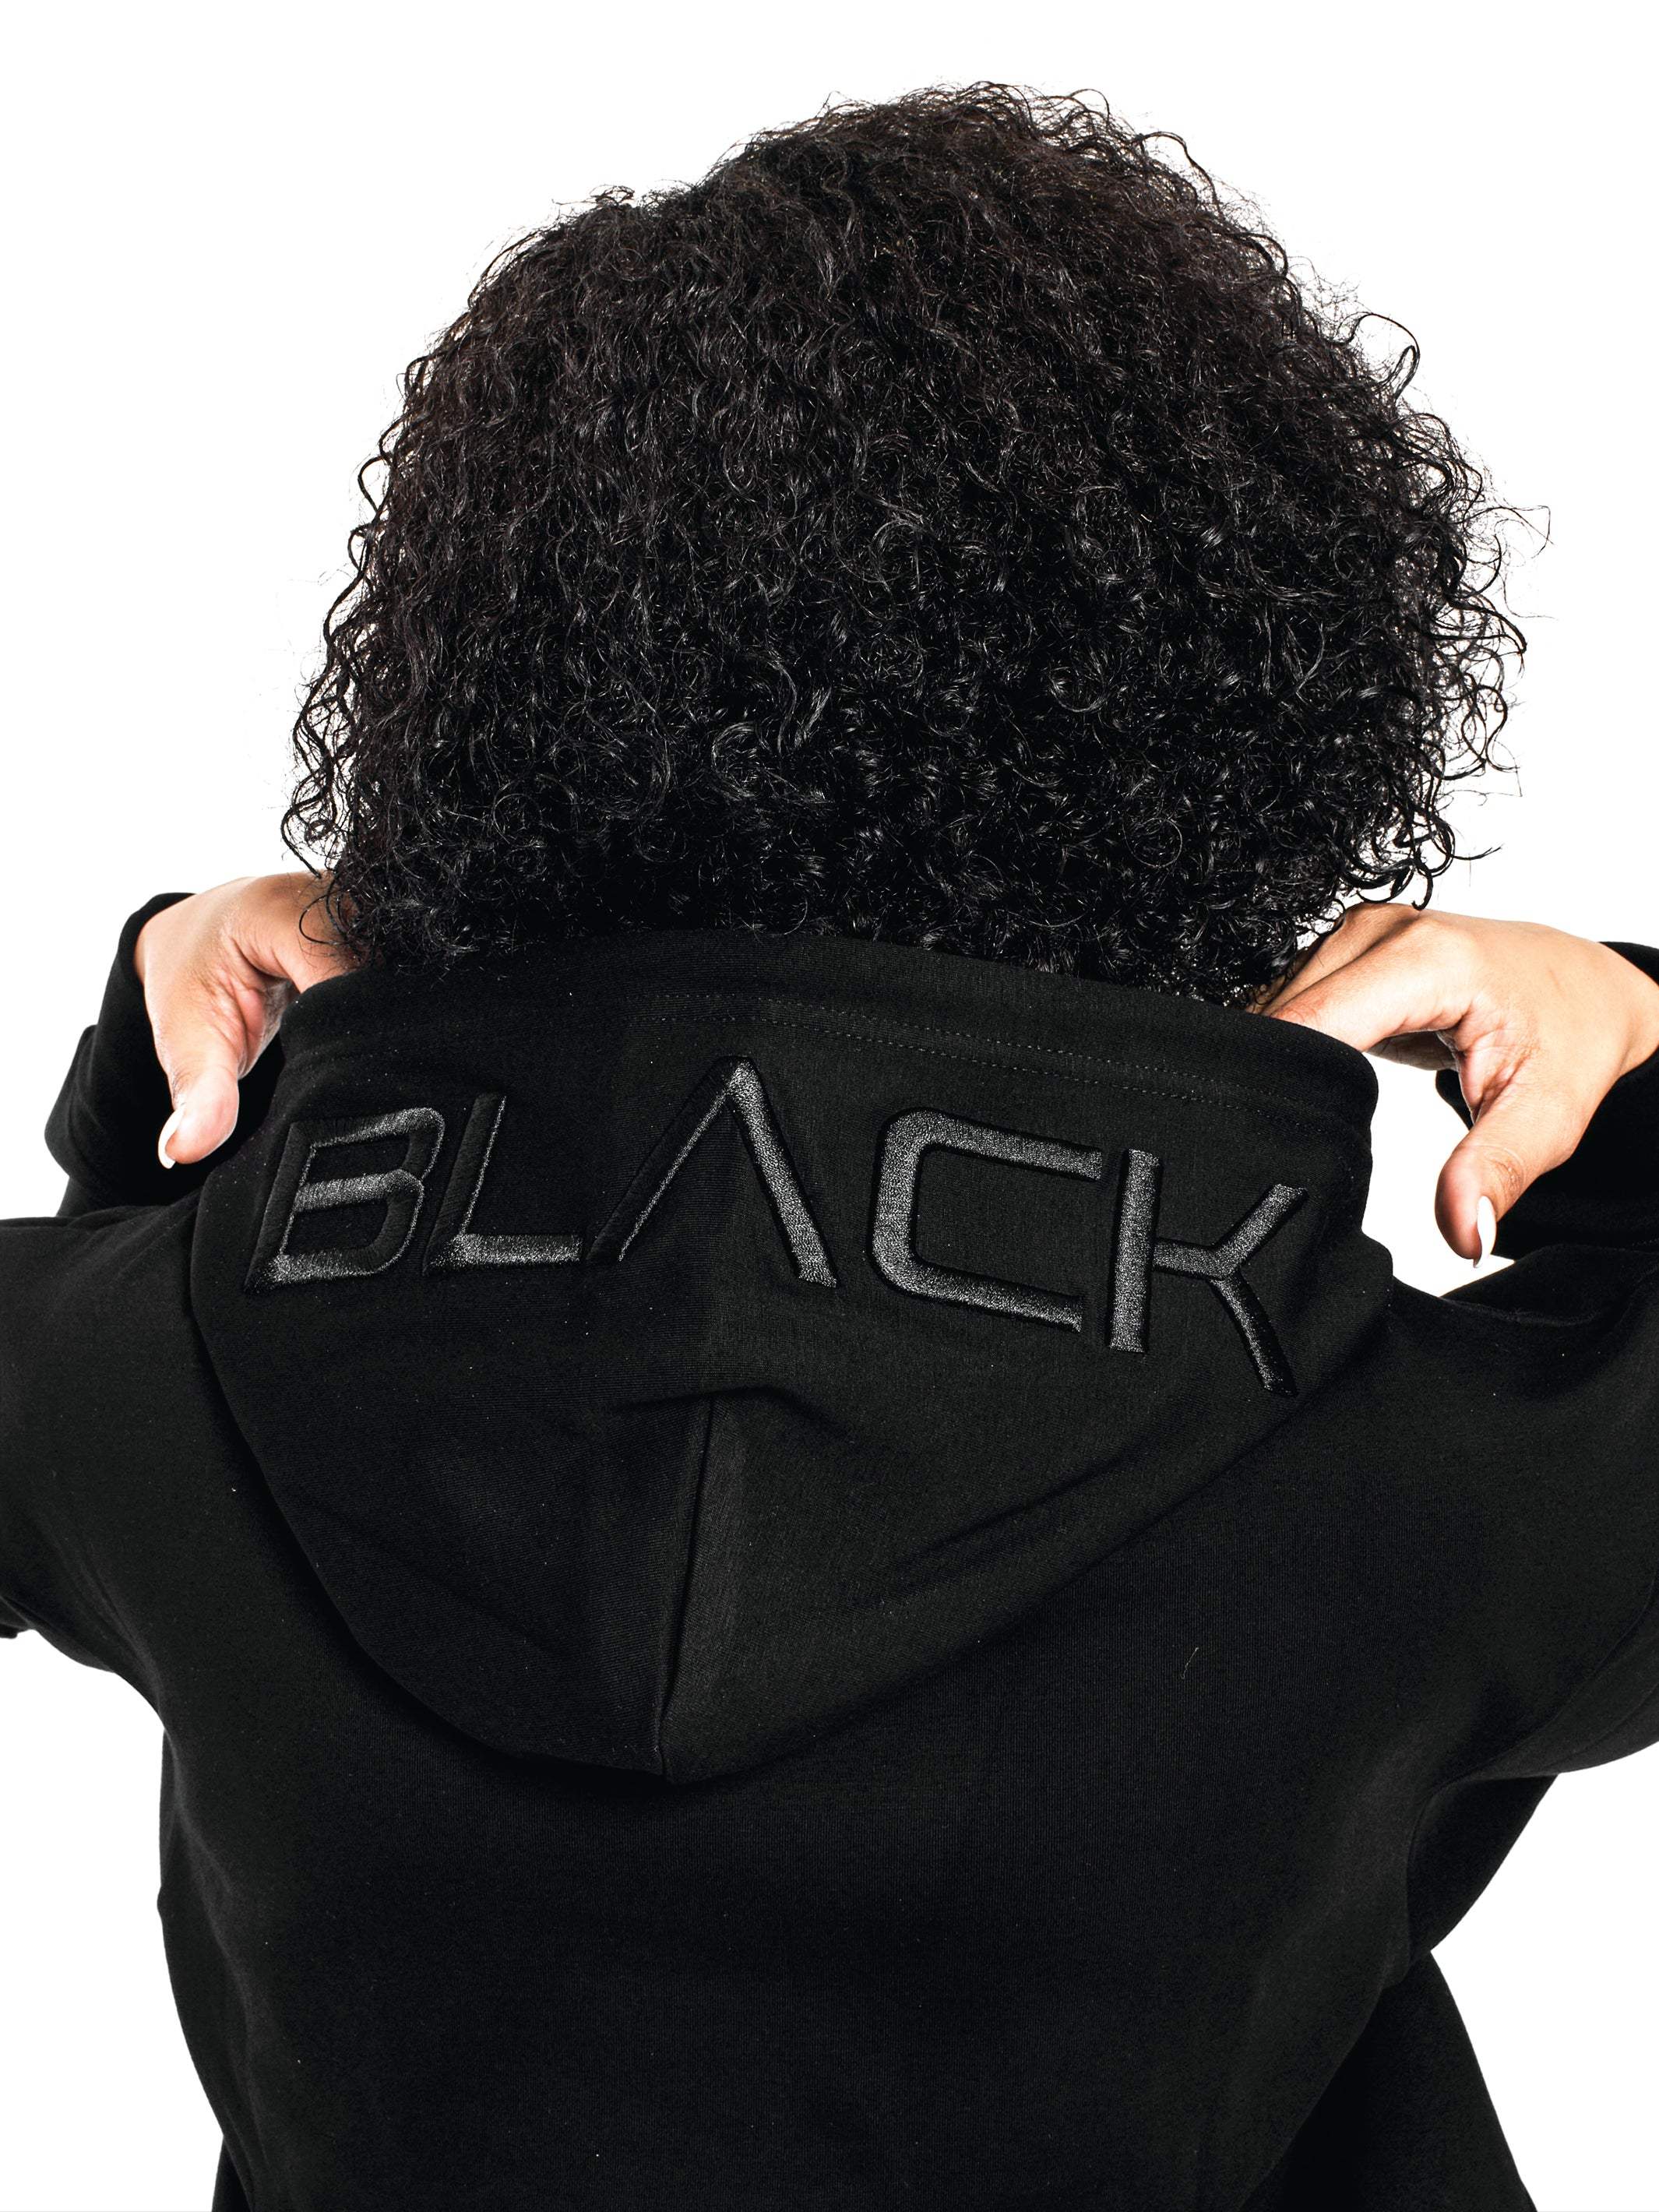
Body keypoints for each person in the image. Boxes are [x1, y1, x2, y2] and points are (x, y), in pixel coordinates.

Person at [3, 83, 1657, 2212]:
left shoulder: (150, 1372)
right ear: (1234, 691)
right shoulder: (1421, 1466)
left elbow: (127, 1309)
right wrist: (1627, 1029)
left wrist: (182, 1044)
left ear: (480, 670)